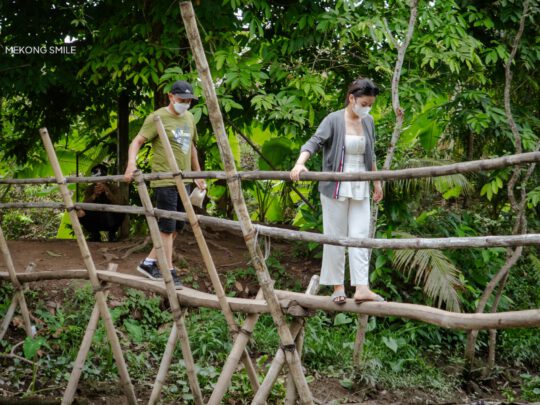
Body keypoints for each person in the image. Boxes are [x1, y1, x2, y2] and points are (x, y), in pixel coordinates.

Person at [290, 77, 384, 305]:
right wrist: (300, 163)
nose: (367, 108)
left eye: (370, 104)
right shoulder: (333, 119)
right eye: (364, 103)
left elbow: (371, 154)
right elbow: (314, 142)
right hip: (336, 186)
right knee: (335, 237)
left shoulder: (369, 121)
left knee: (360, 235)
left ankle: (362, 287)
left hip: (361, 184)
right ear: (352, 99)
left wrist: (377, 182)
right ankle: (337, 286)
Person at [124, 80, 206, 289]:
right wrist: (131, 164)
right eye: (181, 100)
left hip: (185, 180)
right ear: (171, 97)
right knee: (167, 226)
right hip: (165, 180)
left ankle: (149, 262)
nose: (185, 104)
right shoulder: (157, 117)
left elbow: (192, 148)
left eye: (188, 101)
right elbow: (137, 142)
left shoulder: (189, 117)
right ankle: (168, 270)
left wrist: (198, 174)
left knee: (178, 225)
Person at [77, 164, 125, 242]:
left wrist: (107, 191)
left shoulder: (113, 187)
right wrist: (94, 195)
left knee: (122, 211)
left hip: (110, 217)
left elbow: (119, 203)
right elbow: (84, 205)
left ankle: (112, 234)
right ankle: (95, 235)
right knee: (81, 213)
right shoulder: (90, 188)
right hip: (95, 217)